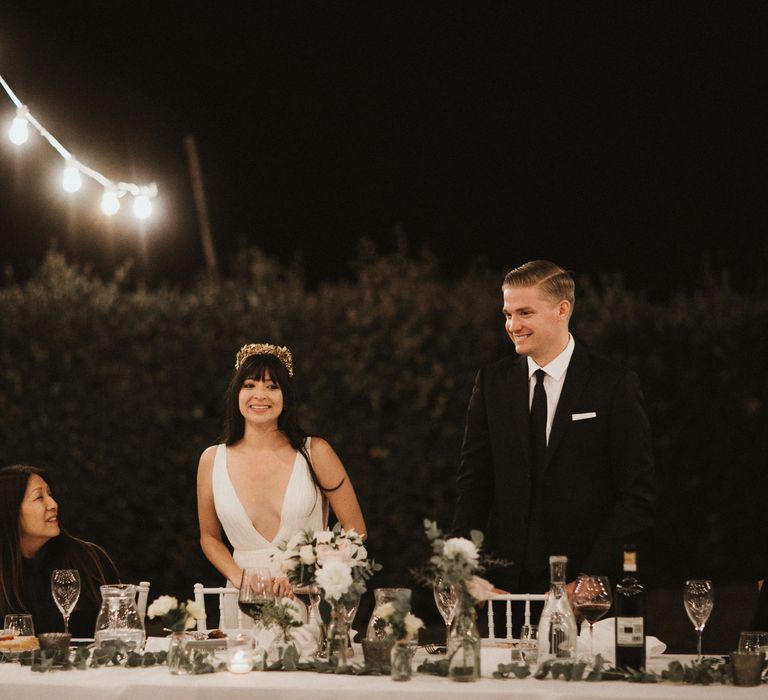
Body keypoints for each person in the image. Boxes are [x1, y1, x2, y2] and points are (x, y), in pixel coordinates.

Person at [453, 260, 655, 604]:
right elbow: (474, 484)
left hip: (586, 591)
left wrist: (593, 578)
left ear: (562, 310)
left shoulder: (613, 384)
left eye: (525, 313)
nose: (513, 325)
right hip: (504, 593)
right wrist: (462, 570)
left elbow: (637, 494)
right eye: (507, 314)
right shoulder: (492, 384)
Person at [197, 343, 367, 625]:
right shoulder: (212, 460)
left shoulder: (316, 452)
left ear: (286, 396)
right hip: (244, 600)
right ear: (236, 394)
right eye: (249, 385)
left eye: (272, 386)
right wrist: (241, 578)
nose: (260, 395)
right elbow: (209, 538)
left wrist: (308, 572)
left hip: (309, 596)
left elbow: (356, 530)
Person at [0, 464, 119, 638]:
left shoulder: (88, 559)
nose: (53, 504)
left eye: (50, 494)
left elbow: (119, 630)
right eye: (39, 497)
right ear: (11, 511)